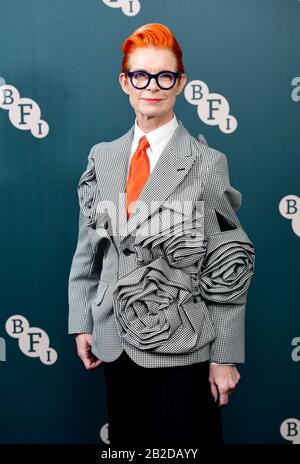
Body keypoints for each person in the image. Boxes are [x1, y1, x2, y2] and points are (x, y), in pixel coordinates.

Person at [68, 23, 255, 447]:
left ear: (180, 83)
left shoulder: (206, 162)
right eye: (141, 75)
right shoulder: (103, 156)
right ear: (125, 82)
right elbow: (88, 251)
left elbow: (228, 265)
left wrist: (224, 356)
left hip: (183, 346)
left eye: (164, 76)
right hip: (113, 340)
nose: (152, 86)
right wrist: (82, 321)